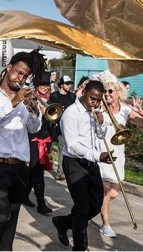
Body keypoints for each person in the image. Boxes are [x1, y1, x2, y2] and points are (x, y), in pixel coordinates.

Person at [0, 49, 46, 251]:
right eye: (19, 73)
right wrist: (13, 103)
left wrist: (33, 113)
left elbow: (34, 129)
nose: (21, 78)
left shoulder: (25, 98)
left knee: (12, 215)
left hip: (20, 165)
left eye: (25, 76)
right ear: (8, 68)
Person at [52, 80, 113, 251]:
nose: (95, 103)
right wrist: (97, 155)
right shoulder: (71, 113)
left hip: (91, 162)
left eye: (98, 100)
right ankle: (80, 247)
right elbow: (72, 145)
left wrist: (101, 123)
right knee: (82, 207)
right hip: (74, 163)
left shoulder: (94, 111)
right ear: (84, 92)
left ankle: (63, 222)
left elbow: (100, 136)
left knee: (95, 203)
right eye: (93, 98)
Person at [98, 81, 143, 238]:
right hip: (102, 154)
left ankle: (91, 206)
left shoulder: (125, 110)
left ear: (119, 93)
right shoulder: (99, 109)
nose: (107, 94)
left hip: (119, 156)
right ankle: (105, 224)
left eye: (111, 91)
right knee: (106, 190)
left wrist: (142, 112)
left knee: (113, 193)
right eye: (105, 91)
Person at [27, 71, 54, 215]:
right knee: (36, 170)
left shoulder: (51, 99)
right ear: (36, 85)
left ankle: (24, 195)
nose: (44, 87)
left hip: (46, 138)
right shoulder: (31, 98)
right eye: (42, 84)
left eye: (46, 84)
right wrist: (38, 111)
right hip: (33, 138)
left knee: (35, 171)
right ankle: (41, 203)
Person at [49, 75, 76, 180]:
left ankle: (61, 171)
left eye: (70, 84)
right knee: (53, 148)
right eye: (67, 84)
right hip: (57, 126)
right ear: (61, 84)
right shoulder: (54, 96)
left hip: (69, 127)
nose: (69, 86)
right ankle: (56, 169)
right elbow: (49, 110)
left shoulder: (72, 97)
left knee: (64, 148)